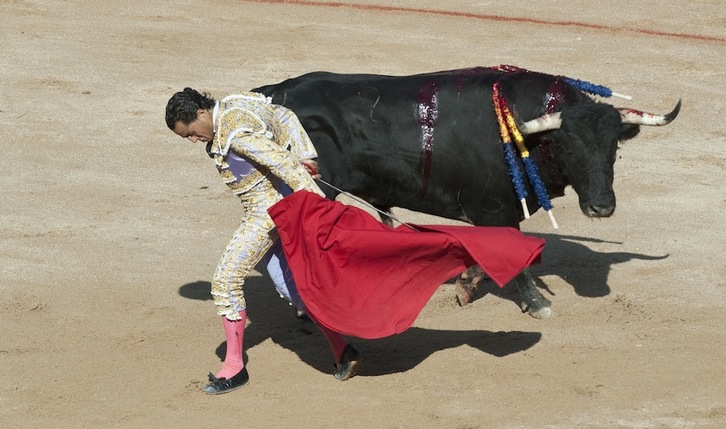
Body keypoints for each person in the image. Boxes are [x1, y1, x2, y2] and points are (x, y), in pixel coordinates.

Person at [165, 88, 361, 395]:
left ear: (201, 114)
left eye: (190, 133)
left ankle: (234, 368)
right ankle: (342, 349)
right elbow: (284, 115)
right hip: (277, 203)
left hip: (265, 212)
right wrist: (306, 154)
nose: (193, 140)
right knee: (289, 285)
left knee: (225, 282)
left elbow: (285, 164)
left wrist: (318, 205)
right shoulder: (235, 105)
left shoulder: (236, 134)